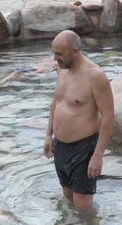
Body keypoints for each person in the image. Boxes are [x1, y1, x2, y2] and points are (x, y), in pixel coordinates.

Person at [45, 31, 114, 210]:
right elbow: (57, 102)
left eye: (59, 54)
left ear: (74, 51)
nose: (55, 58)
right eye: (54, 53)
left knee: (82, 206)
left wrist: (98, 155)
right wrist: (48, 135)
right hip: (60, 146)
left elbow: (108, 116)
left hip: (84, 149)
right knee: (67, 198)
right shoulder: (62, 69)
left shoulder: (95, 76)